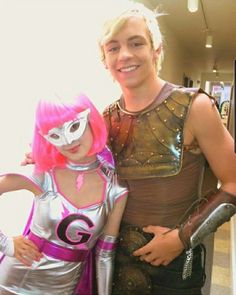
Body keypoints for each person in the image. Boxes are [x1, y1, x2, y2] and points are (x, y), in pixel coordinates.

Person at [98, 2, 236, 295]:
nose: (124, 55)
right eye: (113, 47)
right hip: (114, 262)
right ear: (104, 59)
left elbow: (234, 183)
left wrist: (181, 238)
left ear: (156, 50)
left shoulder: (195, 107)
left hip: (174, 268)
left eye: (136, 43)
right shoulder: (104, 119)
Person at [0, 93, 127, 295]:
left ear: (91, 120)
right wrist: (6, 244)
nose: (68, 141)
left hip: (65, 286)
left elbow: (104, 254)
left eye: (74, 126)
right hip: (17, 280)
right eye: (55, 134)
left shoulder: (116, 189)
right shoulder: (43, 174)